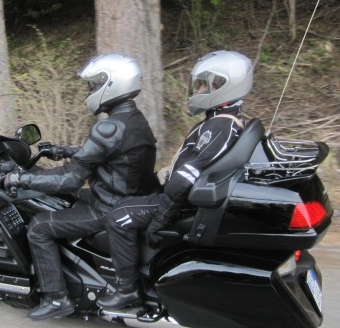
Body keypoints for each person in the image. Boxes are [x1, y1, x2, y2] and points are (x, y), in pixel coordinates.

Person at [0, 53, 158, 320]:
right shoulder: (133, 118)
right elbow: (111, 154)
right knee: (66, 198)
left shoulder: (108, 127)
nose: (91, 90)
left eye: (95, 85)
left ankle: (56, 297)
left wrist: (21, 179)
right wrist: (64, 150)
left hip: (109, 207)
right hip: (128, 196)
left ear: (112, 84)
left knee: (38, 227)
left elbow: (70, 179)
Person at [97, 50, 253, 310]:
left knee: (117, 217)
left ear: (222, 86)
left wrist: (159, 219)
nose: (197, 90)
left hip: (179, 202)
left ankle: (127, 290)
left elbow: (185, 178)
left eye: (203, 84)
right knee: (128, 201)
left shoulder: (219, 127)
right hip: (182, 196)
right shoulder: (224, 121)